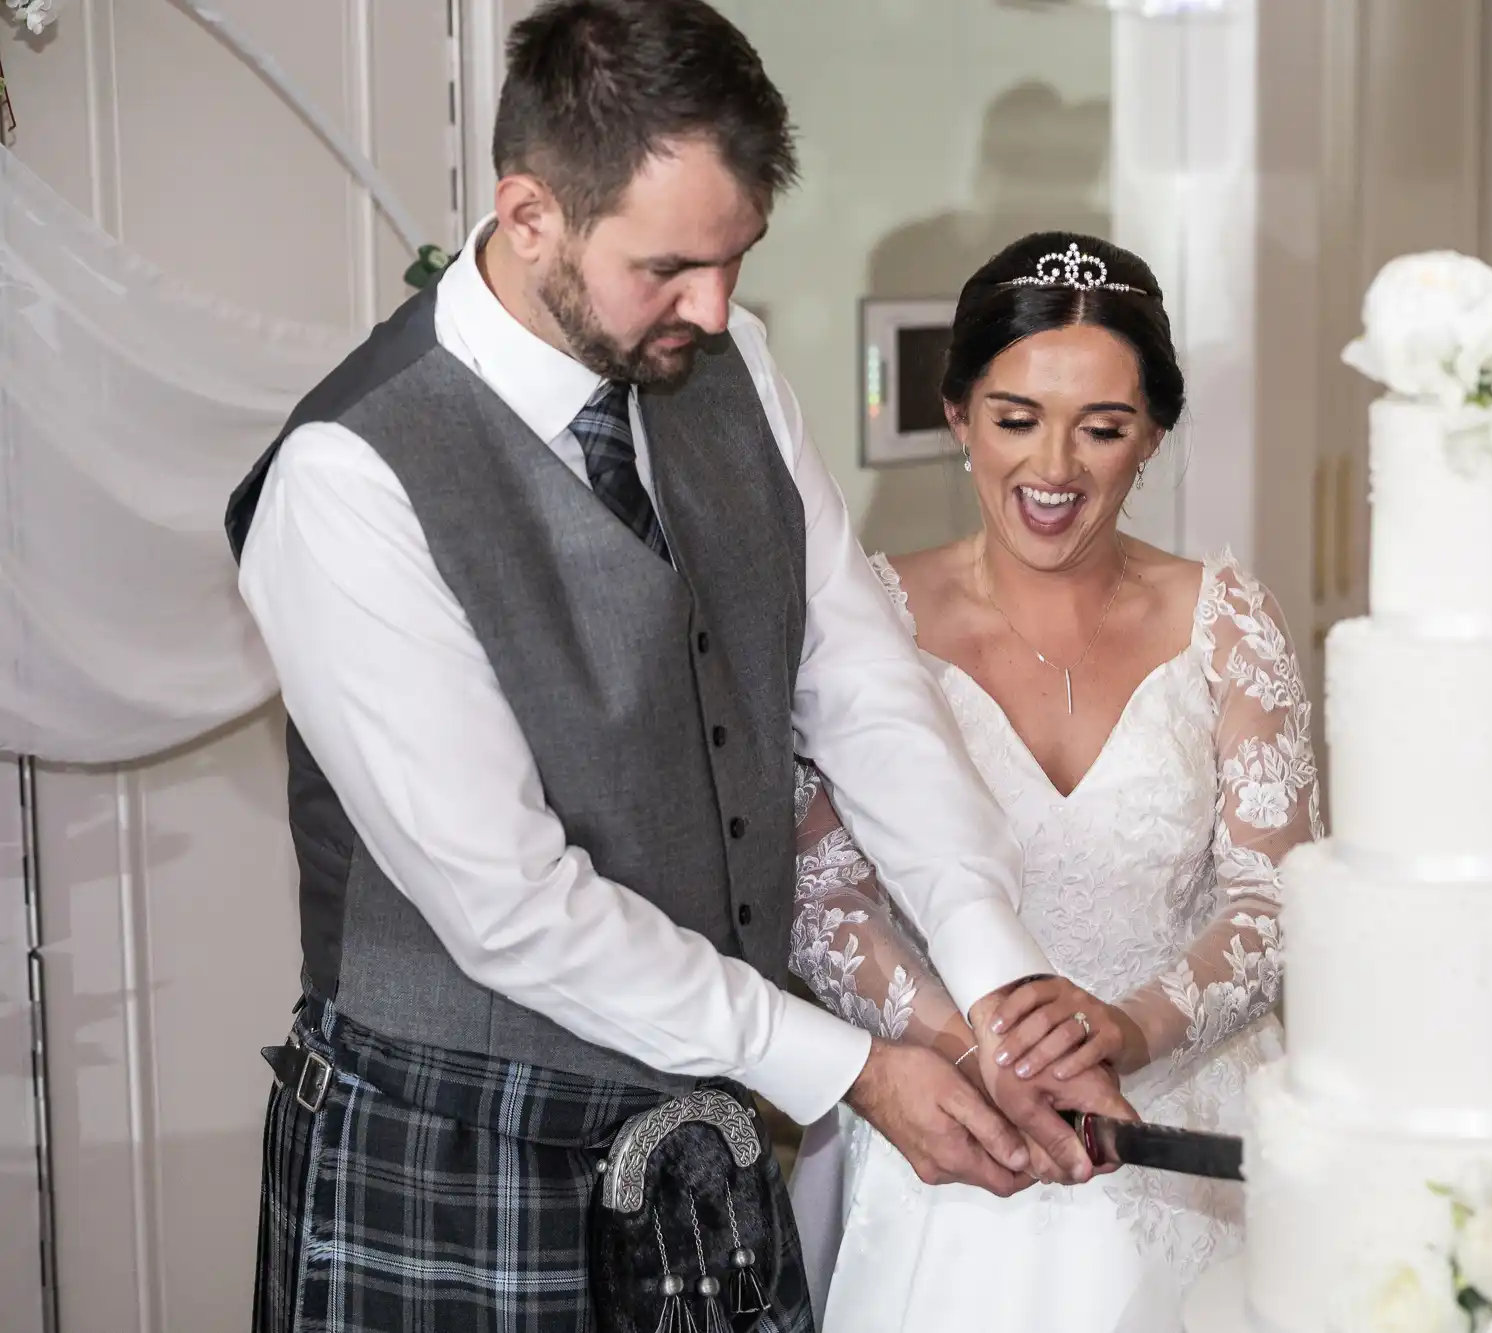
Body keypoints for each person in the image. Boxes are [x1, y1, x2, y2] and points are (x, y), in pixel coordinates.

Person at [223, 4, 1125, 1330]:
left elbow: (857, 683)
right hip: (461, 1155)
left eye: (738, 256)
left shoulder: (730, 362)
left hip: (702, 1152)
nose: (716, 307)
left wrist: (997, 982)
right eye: (670, 268)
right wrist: (855, 1068)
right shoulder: (348, 479)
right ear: (529, 215)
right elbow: (511, 905)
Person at [787, 232, 1324, 1332]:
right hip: (961, 1126)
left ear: (1152, 437)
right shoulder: (864, 621)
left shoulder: (1227, 619)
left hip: (1183, 1131)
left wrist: (1127, 1028)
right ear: (957, 416)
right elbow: (824, 901)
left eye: (1103, 428)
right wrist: (972, 1041)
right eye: (1015, 418)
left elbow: (1276, 902)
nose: (1053, 469)